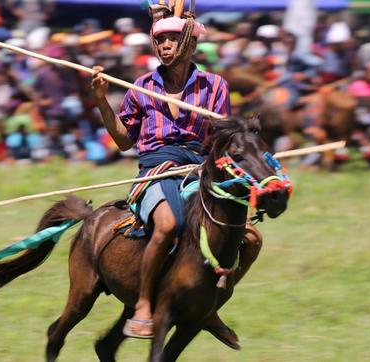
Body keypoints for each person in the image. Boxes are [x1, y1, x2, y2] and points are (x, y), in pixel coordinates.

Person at [91, 9, 261, 342]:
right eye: (159, 40)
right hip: (156, 167)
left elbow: (219, 139)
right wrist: (100, 99)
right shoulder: (140, 87)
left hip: (198, 168)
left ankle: (210, 305)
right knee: (168, 223)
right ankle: (142, 305)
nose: (165, 46)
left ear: (191, 44)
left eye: (172, 39)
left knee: (251, 239)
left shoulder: (214, 86)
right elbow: (124, 140)